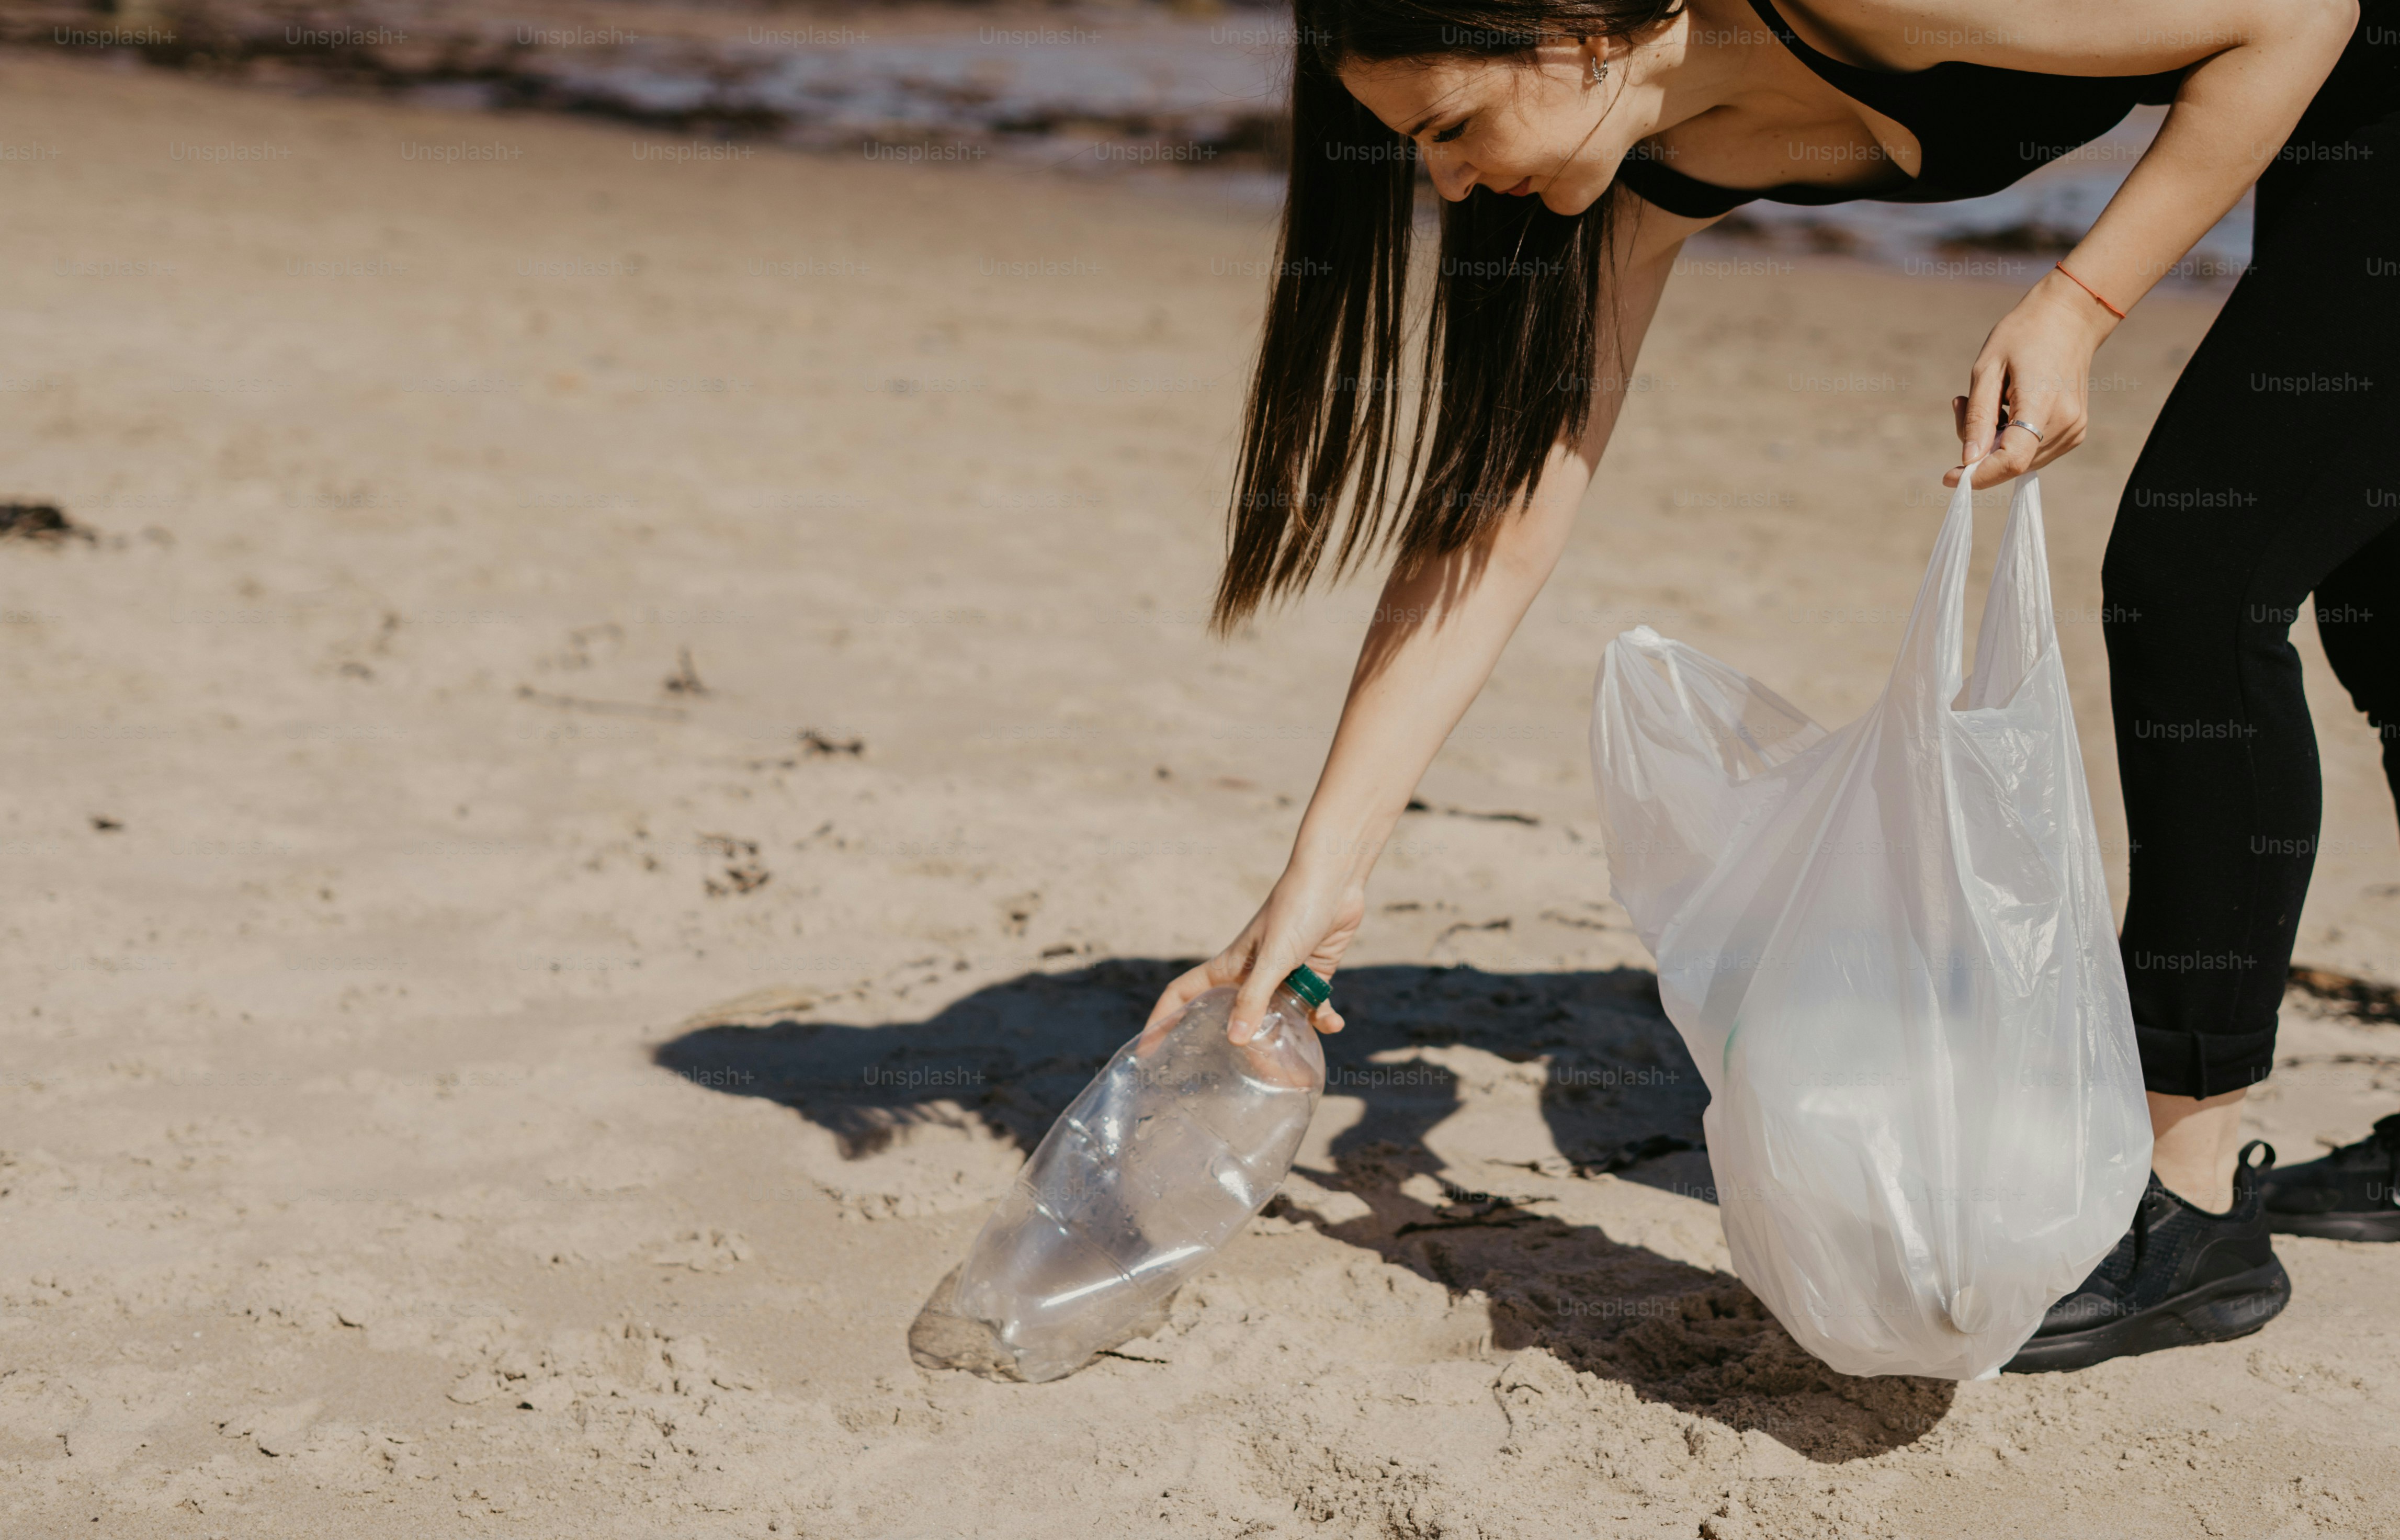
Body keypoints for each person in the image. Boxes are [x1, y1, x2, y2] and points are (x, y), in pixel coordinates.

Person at [1141, 0, 2399, 1372]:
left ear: (1576, 26)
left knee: (2199, 572)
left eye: (1450, 126)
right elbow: (1485, 532)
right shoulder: (1612, 184)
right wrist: (1319, 871)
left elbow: (2292, 13)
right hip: (2340, 107)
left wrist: (2080, 300)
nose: (1442, 180)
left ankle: (2188, 1200)